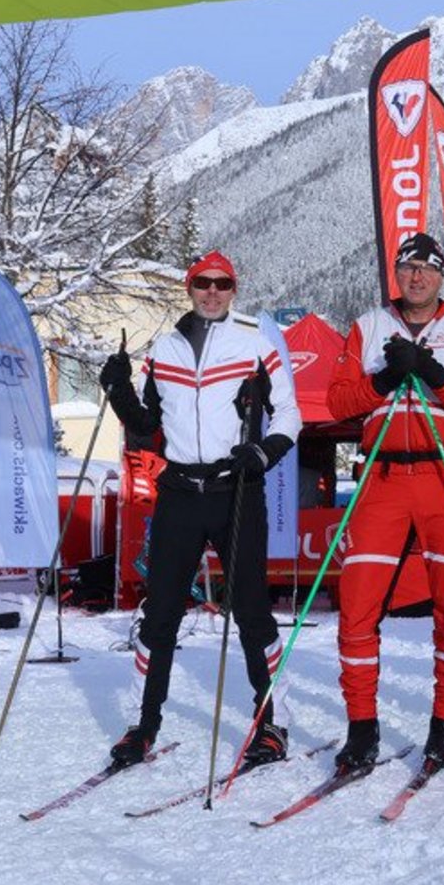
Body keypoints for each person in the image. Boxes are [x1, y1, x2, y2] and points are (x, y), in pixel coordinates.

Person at [98, 251, 301, 770]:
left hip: (235, 489)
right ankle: (144, 727)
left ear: (234, 290)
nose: (213, 292)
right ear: (189, 289)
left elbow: (290, 414)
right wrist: (119, 389)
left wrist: (265, 452)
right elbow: (147, 426)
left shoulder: (254, 346)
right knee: (160, 614)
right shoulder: (162, 350)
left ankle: (269, 722)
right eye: (203, 283)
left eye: (223, 284)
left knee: (251, 611)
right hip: (180, 492)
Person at [325, 232, 444, 775]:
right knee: (357, 605)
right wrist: (387, 377)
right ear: (396, 274)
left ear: (441, 275)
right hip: (383, 477)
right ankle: (361, 729)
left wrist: (437, 375)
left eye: (427, 268)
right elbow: (337, 402)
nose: (416, 277)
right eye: (408, 268)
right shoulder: (369, 326)